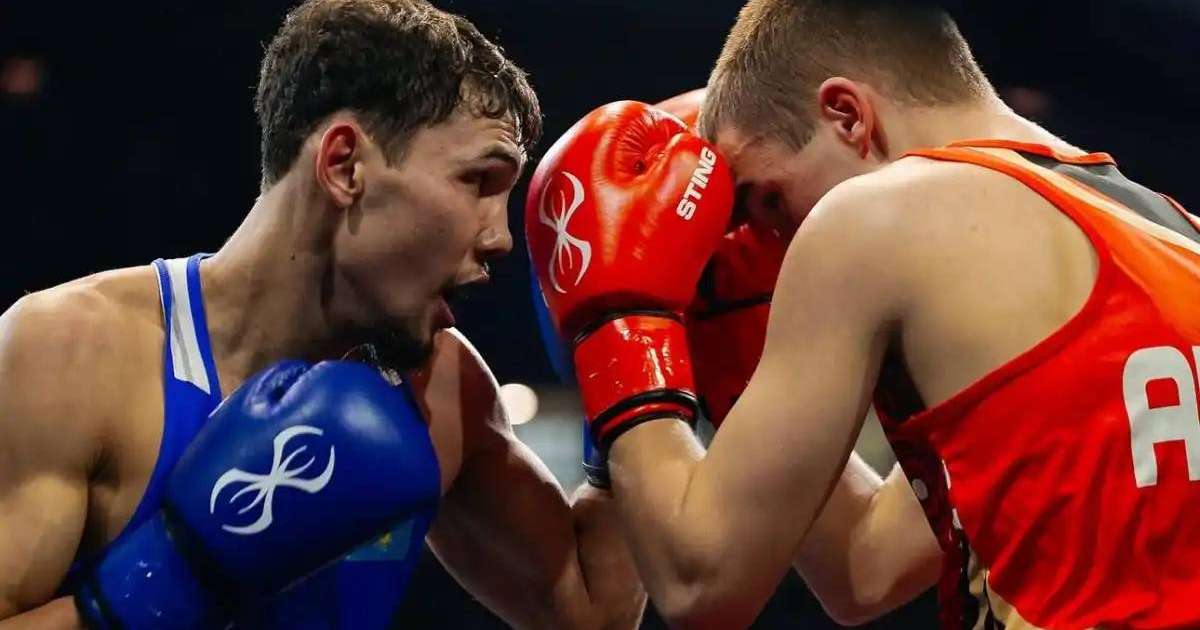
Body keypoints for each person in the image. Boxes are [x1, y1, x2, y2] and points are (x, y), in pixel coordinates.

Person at [525, 0, 1200, 627]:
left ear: (847, 115)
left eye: (768, 202)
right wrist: (735, 349)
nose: (775, 243)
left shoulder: (874, 215)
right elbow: (868, 569)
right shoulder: (1175, 231)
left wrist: (620, 323)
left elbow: (700, 583)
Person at [0, 1, 644, 628]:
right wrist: (164, 584)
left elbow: (596, 613)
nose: (501, 237)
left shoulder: (443, 394)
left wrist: (627, 362)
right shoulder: (71, 353)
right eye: (478, 181)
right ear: (343, 165)